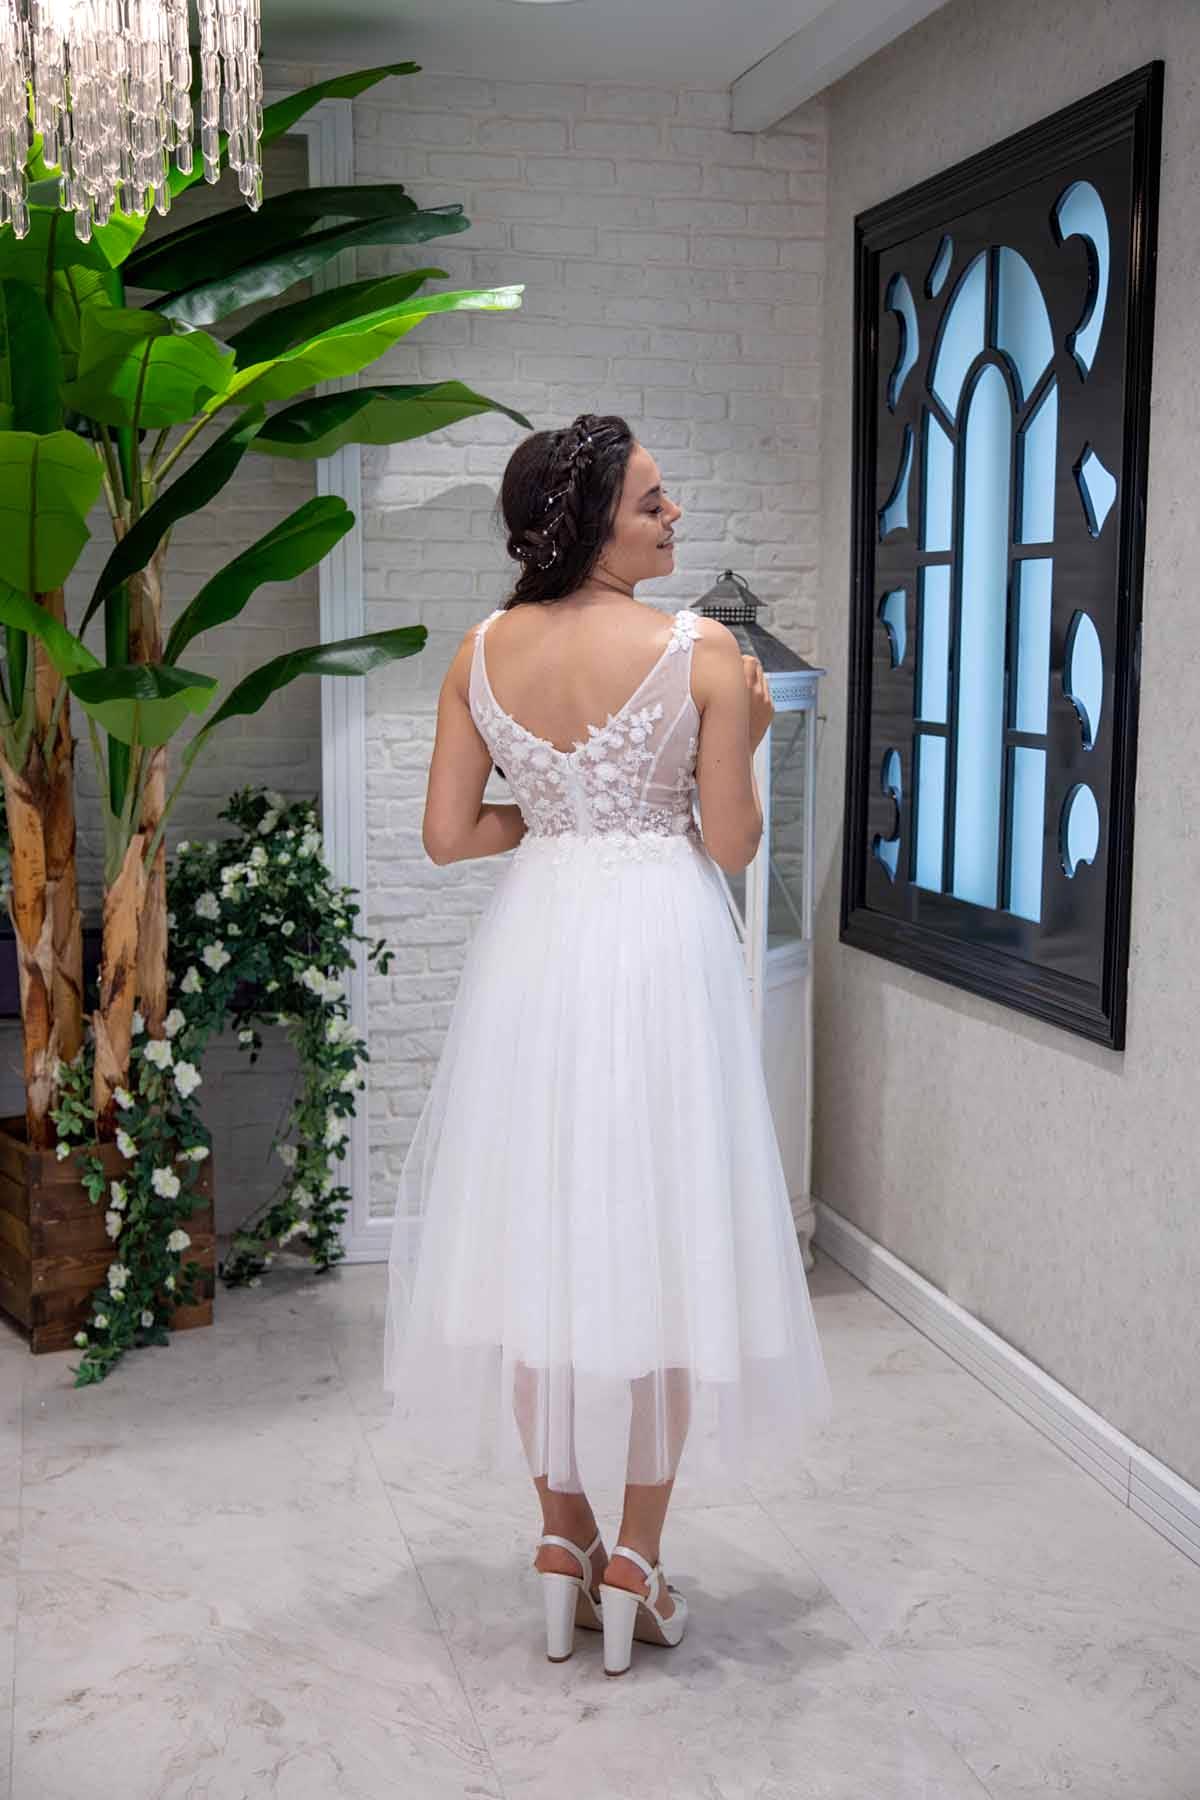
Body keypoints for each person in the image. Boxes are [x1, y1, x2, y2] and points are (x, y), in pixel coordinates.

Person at [384, 412, 832, 1676]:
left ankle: (558, 1541)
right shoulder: (701, 651)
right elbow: (732, 845)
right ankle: (635, 1562)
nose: (673, 515)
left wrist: (552, 821)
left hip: (539, 950)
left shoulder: (479, 652)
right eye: (650, 501)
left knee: (537, 1242)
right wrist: (748, 731)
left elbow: (447, 835)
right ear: (587, 526)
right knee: (663, 1246)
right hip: (657, 950)